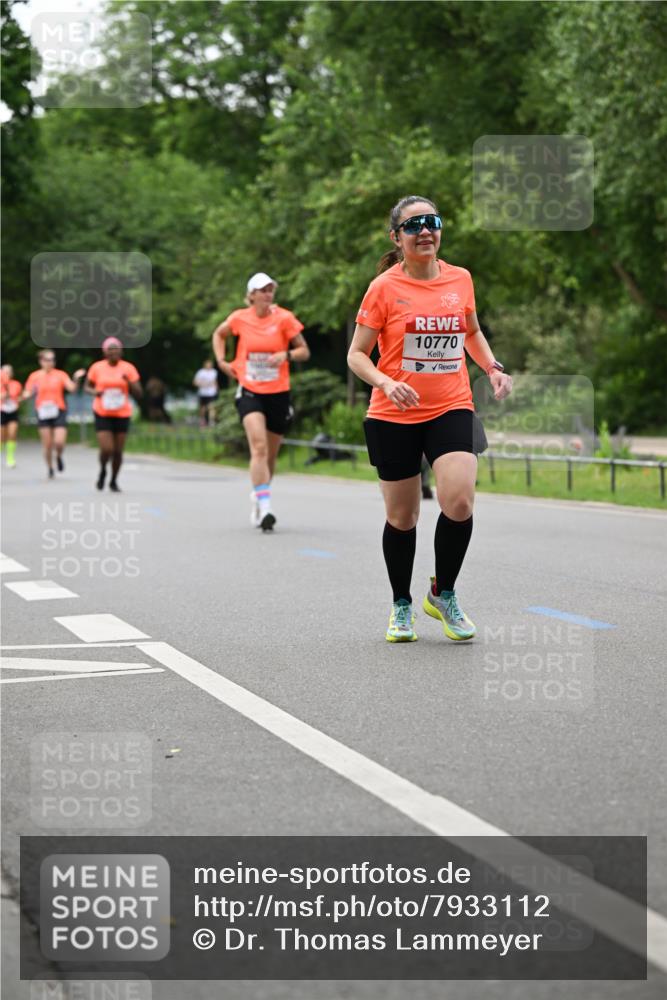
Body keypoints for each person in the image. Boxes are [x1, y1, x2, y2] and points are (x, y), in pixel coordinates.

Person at [348, 195, 512, 643]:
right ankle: (402, 604)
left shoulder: (460, 279)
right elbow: (356, 355)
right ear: (397, 238)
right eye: (414, 224)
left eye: (432, 222)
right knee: (402, 518)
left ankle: (444, 592)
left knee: (458, 502)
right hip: (394, 412)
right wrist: (384, 383)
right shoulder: (384, 287)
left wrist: (492, 368)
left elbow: (471, 331)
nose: (425, 230)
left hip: (451, 405)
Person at [211, 272, 310, 531]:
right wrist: (222, 362)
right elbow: (218, 335)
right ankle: (266, 507)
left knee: (271, 455)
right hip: (249, 390)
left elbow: (304, 351)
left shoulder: (285, 318)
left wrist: (285, 355)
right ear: (251, 295)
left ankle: (259, 496)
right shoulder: (239, 318)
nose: (267, 294)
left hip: (278, 392)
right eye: (262, 290)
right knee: (259, 447)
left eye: (270, 289)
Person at [84, 337, 142, 492]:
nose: (114, 351)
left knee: (118, 451)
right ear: (105, 352)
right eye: (110, 349)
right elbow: (87, 387)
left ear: (121, 351)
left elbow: (139, 393)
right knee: (107, 449)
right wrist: (96, 392)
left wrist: (128, 382)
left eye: (116, 348)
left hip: (122, 412)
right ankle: (103, 469)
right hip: (102, 411)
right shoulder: (97, 368)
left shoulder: (128, 368)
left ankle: (114, 480)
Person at [21, 351, 86, 478]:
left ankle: (59, 456)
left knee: (59, 442)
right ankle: (50, 468)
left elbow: (72, 389)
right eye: (47, 359)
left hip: (58, 410)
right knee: (47, 444)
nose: (50, 362)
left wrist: (76, 379)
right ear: (41, 361)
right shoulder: (34, 376)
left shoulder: (60, 375)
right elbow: (27, 392)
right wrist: (24, 396)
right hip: (43, 411)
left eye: (52, 359)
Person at [1, 364, 22, 469]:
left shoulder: (16, 384)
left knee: (12, 433)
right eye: (4, 372)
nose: (6, 374)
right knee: (2, 436)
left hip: (13, 411)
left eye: (8, 372)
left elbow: (18, 396)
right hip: (2, 411)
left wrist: (19, 399)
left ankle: (10, 457)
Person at [193, 360, 219, 427]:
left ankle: (211, 422)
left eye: (210, 364)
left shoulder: (214, 372)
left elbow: (215, 381)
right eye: (208, 364)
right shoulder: (200, 372)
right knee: (203, 408)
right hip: (203, 393)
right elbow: (195, 382)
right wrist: (203, 384)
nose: (209, 366)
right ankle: (202, 421)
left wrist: (216, 389)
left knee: (212, 407)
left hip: (211, 393)